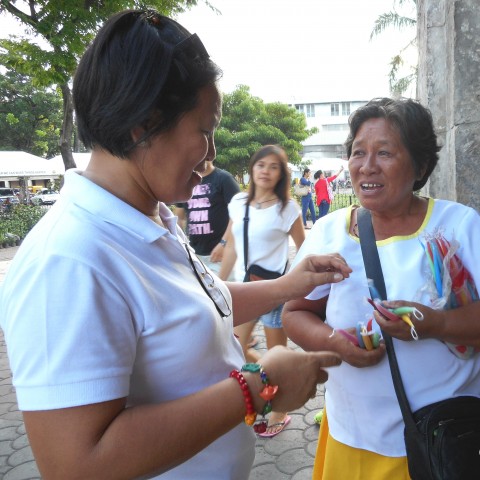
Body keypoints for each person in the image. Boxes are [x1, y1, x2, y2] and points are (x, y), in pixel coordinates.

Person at [0, 10, 352, 479]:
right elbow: (75, 464)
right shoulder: (69, 259)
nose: (210, 157)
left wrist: (289, 285)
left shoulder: (152, 218)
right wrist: (258, 384)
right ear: (142, 125)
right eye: (204, 133)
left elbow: (202, 302)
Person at [282, 97, 480, 479]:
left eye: (385, 153)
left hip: (441, 444)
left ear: (420, 166)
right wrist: (333, 341)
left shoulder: (455, 225)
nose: (367, 166)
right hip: (350, 437)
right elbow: (294, 313)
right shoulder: (329, 231)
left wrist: (434, 324)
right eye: (357, 153)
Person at [218, 144, 305, 438]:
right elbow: (231, 246)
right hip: (245, 289)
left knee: (278, 353)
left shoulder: (288, 208)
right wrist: (216, 284)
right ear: (252, 168)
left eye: (273, 166)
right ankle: (268, 377)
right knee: (237, 349)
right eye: (261, 165)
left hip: (275, 291)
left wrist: (300, 287)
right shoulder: (238, 202)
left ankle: (281, 408)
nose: (266, 171)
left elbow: (304, 248)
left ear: (281, 174)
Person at [176, 160, 239, 278]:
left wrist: (223, 243)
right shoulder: (185, 182)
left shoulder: (224, 179)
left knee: (225, 293)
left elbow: (238, 215)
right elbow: (179, 217)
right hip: (194, 255)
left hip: (220, 255)